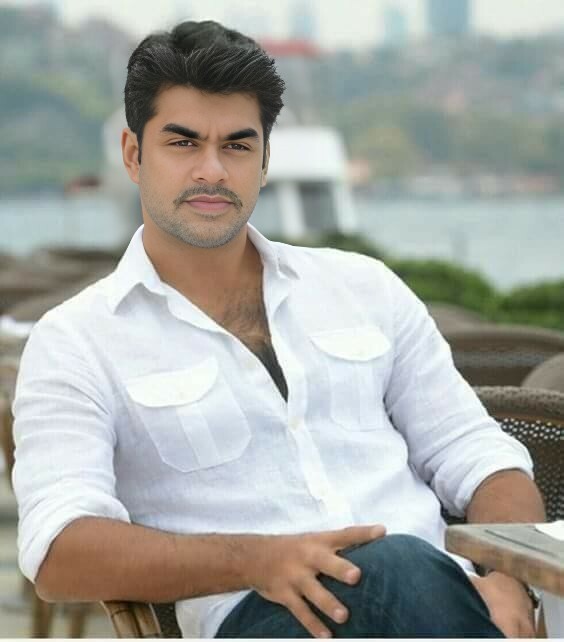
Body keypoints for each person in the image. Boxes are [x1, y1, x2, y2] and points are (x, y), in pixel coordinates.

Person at [13, 20, 544, 639]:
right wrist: (258, 560)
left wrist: (511, 580)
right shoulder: (77, 341)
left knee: (407, 570)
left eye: (237, 146)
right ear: (133, 154)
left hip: (433, 599)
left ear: (265, 160)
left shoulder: (364, 288)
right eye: (183, 143)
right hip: (262, 617)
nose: (212, 170)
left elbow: (480, 457)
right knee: (394, 565)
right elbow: (59, 550)